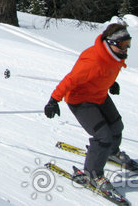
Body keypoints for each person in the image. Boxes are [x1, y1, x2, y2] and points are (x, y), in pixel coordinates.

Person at [44, 22, 132, 194]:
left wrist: (111, 83)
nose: (126, 49)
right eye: (122, 45)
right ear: (110, 43)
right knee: (103, 136)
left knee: (116, 126)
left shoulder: (114, 56)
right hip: (81, 100)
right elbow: (70, 80)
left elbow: (104, 72)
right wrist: (53, 100)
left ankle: (112, 152)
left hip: (99, 95)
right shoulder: (93, 60)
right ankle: (93, 174)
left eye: (128, 44)